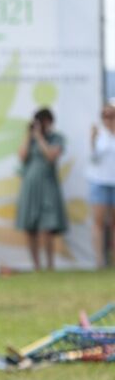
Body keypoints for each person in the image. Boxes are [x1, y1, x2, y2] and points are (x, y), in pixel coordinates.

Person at [16, 107, 67, 272]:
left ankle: (50, 265)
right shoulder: (30, 139)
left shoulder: (56, 138)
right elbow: (22, 157)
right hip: (30, 185)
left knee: (48, 227)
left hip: (48, 184)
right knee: (31, 227)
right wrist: (29, 136)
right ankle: (36, 266)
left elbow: (51, 156)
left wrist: (39, 138)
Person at [88, 101, 115, 268]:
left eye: (111, 115)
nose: (108, 119)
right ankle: (99, 261)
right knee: (98, 222)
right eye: (105, 115)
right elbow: (93, 158)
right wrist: (92, 141)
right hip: (100, 182)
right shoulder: (99, 135)